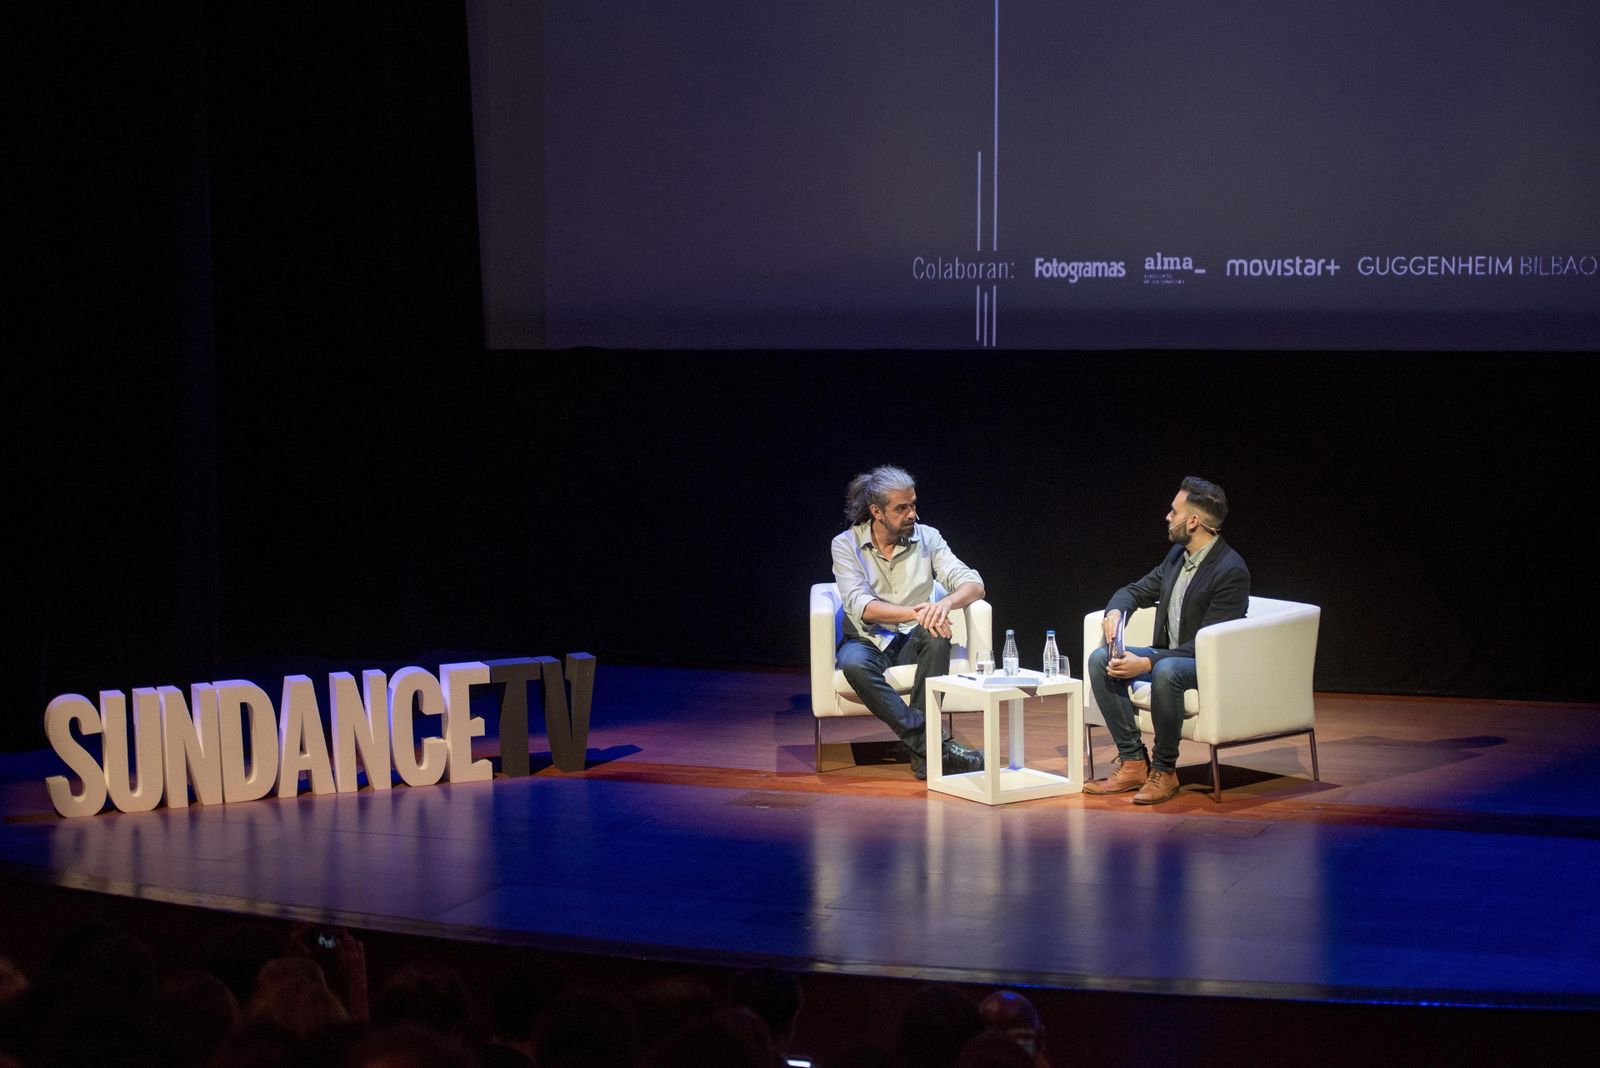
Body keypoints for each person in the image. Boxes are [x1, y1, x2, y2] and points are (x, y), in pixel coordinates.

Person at [1084, 476, 1249, 805]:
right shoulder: (1177, 557)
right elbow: (1133, 590)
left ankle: (1165, 770)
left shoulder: (1230, 570)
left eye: (1174, 512)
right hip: (1171, 656)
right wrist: (1115, 613)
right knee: (1100, 659)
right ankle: (1132, 762)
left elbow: (1207, 644)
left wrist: (1145, 662)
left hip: (1206, 662)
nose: (1167, 517)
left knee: (1166, 670)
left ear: (1193, 521)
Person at [831, 465, 985, 779]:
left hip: (911, 639)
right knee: (853, 664)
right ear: (876, 511)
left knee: (936, 634)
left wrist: (942, 605)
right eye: (901, 508)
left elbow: (974, 584)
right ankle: (931, 744)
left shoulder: (928, 538)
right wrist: (919, 612)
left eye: (913, 504)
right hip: (867, 640)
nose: (912, 514)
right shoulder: (845, 545)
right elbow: (863, 606)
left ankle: (922, 750)